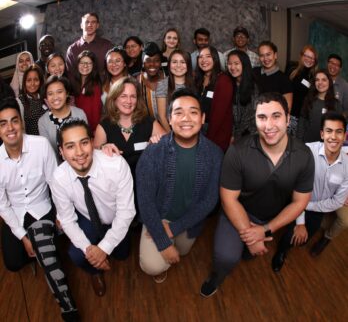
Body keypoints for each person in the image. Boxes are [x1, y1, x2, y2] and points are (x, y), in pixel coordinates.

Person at [200, 92, 315, 297]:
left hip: (270, 218)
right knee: (226, 257)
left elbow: (300, 202)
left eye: (276, 116)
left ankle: (246, 247)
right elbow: (229, 199)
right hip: (236, 211)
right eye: (262, 117)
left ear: (288, 119)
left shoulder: (304, 155)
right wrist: (252, 237)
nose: (269, 125)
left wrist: (265, 230)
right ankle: (216, 277)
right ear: (255, 120)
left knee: (248, 254)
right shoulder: (237, 151)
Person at [0, 98, 78, 322]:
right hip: (16, 214)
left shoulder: (41, 145)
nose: (10, 127)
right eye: (3, 123)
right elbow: (2, 205)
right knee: (13, 263)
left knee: (45, 252)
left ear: (22, 123)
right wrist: (23, 237)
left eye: (14, 121)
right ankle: (39, 247)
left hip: (41, 207)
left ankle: (68, 308)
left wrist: (61, 215)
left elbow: (55, 183)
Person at [136, 88, 223, 283]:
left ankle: (174, 242)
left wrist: (174, 229)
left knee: (183, 251)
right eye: (178, 112)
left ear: (202, 118)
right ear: (169, 118)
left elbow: (210, 200)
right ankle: (161, 256)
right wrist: (162, 239)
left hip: (188, 220)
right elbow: (145, 201)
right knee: (153, 265)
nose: (186, 118)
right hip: (158, 218)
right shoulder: (153, 152)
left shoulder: (215, 154)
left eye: (193, 112)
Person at [51, 118, 136, 297]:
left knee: (122, 255)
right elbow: (66, 219)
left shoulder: (116, 165)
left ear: (92, 143)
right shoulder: (58, 178)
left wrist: (104, 249)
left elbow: (126, 212)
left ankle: (104, 252)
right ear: (61, 151)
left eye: (83, 143)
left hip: (115, 220)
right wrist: (93, 256)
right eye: (70, 146)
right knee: (76, 254)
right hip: (88, 218)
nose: (80, 152)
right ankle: (95, 271)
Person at [272, 112, 348, 271]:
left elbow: (337, 202)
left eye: (338, 132)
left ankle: (286, 244)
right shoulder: (307, 152)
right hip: (295, 201)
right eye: (329, 131)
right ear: (322, 133)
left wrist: (308, 206)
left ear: (344, 136)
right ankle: (280, 252)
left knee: (303, 239)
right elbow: (294, 186)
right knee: (290, 234)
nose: (333, 136)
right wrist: (300, 221)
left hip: (316, 207)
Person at [94, 76, 165, 181]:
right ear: (114, 98)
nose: (129, 101)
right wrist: (102, 149)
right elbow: (94, 161)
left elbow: (170, 148)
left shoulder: (149, 123)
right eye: (123, 96)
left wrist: (159, 145)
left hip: (146, 183)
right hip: (115, 187)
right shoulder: (104, 126)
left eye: (133, 96)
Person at [38, 75, 87, 160]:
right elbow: (48, 153)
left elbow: (86, 143)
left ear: (67, 93)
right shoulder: (43, 122)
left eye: (59, 92)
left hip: (82, 160)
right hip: (58, 168)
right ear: (46, 97)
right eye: (50, 94)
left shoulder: (80, 114)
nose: (55, 97)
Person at [195, 45, 233, 151]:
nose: (204, 60)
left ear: (215, 59)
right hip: (198, 130)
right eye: (201, 57)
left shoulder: (223, 80)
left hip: (215, 134)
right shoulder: (198, 79)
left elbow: (218, 116)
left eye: (208, 56)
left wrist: (208, 140)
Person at [297, 69, 341, 143]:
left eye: (324, 80)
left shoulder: (336, 104)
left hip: (327, 146)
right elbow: (302, 123)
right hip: (307, 145)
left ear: (329, 82)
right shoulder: (308, 100)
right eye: (317, 80)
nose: (320, 82)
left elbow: (338, 128)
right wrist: (299, 142)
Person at [155, 49, 194, 132]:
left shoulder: (195, 84)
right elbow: (161, 116)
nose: (178, 65)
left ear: (188, 65)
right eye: (174, 62)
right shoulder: (162, 85)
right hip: (171, 131)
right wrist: (172, 136)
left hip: (191, 129)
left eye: (182, 62)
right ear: (169, 65)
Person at [66, 12, 113, 78]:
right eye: (86, 22)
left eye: (93, 22)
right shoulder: (72, 49)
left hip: (102, 87)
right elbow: (70, 75)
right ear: (81, 25)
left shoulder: (107, 46)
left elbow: (112, 70)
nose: (90, 25)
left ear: (97, 25)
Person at [226, 49, 258, 141]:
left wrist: (235, 136)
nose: (232, 67)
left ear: (244, 64)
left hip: (249, 135)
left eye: (236, 63)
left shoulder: (253, 86)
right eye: (229, 64)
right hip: (233, 133)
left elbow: (249, 117)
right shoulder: (229, 84)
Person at [253, 41, 293, 111]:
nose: (265, 59)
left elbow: (287, 108)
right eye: (262, 55)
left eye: (268, 54)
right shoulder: (254, 72)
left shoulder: (284, 79)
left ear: (275, 55)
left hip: (272, 119)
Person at [288, 45, 318, 135]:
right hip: (289, 115)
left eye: (312, 58)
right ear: (302, 56)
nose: (309, 60)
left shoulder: (314, 77)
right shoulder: (291, 69)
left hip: (302, 118)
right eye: (307, 56)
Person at [71, 50, 102, 134]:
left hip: (90, 129)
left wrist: (94, 130)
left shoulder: (95, 86)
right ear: (77, 65)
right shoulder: (74, 83)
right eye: (82, 63)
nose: (85, 65)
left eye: (89, 63)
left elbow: (96, 112)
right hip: (77, 126)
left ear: (93, 66)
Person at [138, 42, 166, 119]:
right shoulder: (137, 81)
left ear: (160, 63)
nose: (152, 64)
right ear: (143, 63)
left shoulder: (168, 78)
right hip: (147, 127)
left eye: (156, 60)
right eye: (148, 60)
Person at [18, 64, 46, 135]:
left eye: (36, 80)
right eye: (29, 80)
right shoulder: (20, 100)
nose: (32, 83)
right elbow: (20, 129)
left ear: (40, 81)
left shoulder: (45, 97)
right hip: (33, 142)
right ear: (24, 82)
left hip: (49, 139)